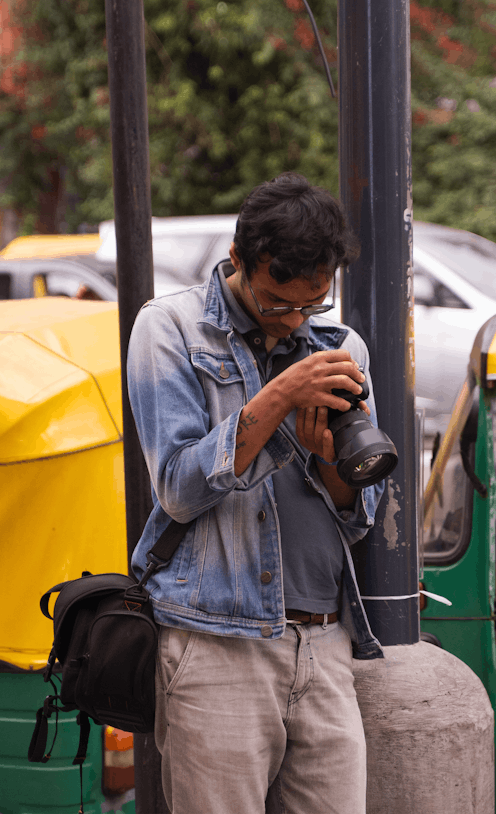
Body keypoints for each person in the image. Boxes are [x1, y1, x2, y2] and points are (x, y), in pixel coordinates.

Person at [127, 172, 384, 814]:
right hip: (216, 644)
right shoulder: (170, 330)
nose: (295, 319)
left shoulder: (339, 346)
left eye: (313, 302)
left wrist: (332, 466)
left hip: (323, 641)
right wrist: (278, 400)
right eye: (275, 302)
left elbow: (356, 519)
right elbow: (180, 490)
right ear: (238, 259)